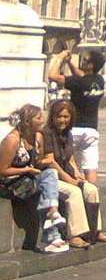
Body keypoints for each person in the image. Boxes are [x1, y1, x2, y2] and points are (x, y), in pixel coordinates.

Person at [41, 100, 106, 247]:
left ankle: (94, 231)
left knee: (91, 189)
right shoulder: (46, 133)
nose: (63, 120)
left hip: (66, 174)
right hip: (51, 177)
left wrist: (77, 173)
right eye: (59, 116)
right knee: (74, 192)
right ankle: (75, 234)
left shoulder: (68, 134)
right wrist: (68, 178)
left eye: (66, 117)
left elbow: (70, 157)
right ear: (53, 117)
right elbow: (51, 161)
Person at [0, 105, 69, 253]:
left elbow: (37, 162)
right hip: (11, 184)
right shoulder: (12, 140)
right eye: (38, 118)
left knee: (50, 174)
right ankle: (53, 234)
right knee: (45, 187)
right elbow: (2, 170)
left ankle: (53, 213)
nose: (43, 120)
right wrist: (27, 169)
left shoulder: (38, 137)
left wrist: (45, 162)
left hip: (27, 179)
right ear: (27, 121)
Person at [48, 49, 105, 184]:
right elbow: (80, 75)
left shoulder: (78, 83)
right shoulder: (99, 80)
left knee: (66, 162)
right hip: (91, 131)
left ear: (91, 65)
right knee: (90, 168)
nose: (82, 61)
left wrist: (60, 57)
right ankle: (91, 197)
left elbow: (52, 76)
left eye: (85, 60)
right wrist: (70, 63)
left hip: (74, 129)